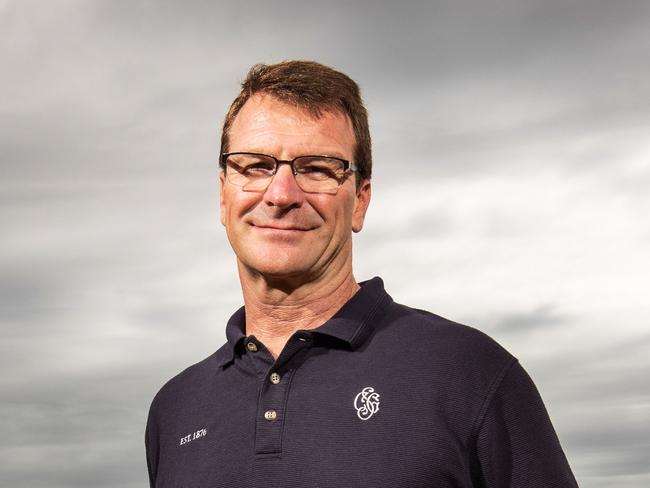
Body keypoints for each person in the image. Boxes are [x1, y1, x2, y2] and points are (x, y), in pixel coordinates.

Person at [145, 60, 579, 488]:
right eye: (255, 165)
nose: (280, 194)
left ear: (360, 201)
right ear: (223, 195)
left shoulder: (469, 373)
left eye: (317, 169)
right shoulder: (175, 409)